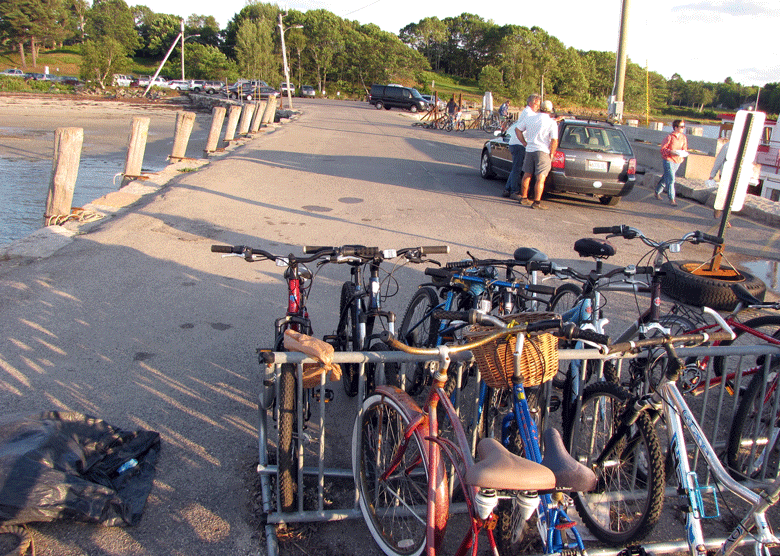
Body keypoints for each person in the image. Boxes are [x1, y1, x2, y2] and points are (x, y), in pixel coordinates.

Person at [517, 99, 558, 210]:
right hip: (543, 151)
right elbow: (554, 140)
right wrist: (552, 153)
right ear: (550, 110)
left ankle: (524, 197)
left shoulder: (530, 118)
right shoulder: (551, 122)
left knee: (527, 174)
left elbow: (518, 129)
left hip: (530, 149)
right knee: (540, 177)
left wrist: (524, 142)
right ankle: (537, 202)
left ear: (540, 108)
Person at [502, 93, 541, 198]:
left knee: (515, 167)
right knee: (517, 168)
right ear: (530, 103)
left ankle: (507, 188)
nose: (538, 107)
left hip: (516, 142)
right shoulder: (529, 113)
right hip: (519, 143)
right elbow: (535, 121)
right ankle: (514, 191)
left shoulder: (527, 112)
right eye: (537, 105)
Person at [656, 120, 688, 206]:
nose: (683, 128)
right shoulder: (669, 137)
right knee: (671, 179)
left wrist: (683, 153)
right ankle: (672, 199)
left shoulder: (683, 137)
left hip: (678, 160)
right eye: (681, 127)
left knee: (666, 177)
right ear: (676, 127)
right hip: (668, 160)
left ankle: (657, 191)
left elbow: (684, 149)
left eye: (684, 126)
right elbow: (663, 149)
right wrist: (671, 152)